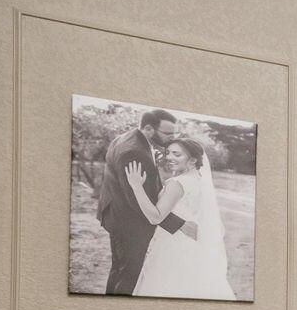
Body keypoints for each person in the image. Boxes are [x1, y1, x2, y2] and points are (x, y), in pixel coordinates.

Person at [97, 108, 195, 293]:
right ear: (149, 129)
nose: (172, 138)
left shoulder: (125, 138)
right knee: (129, 275)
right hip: (130, 223)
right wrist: (179, 224)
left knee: (119, 270)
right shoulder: (135, 152)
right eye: (168, 133)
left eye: (175, 133)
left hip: (117, 215)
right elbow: (137, 199)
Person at [124, 136, 234, 299]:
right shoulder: (198, 180)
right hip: (192, 246)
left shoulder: (177, 183)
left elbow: (155, 218)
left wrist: (136, 186)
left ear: (192, 160)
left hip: (172, 246)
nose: (169, 157)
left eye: (177, 154)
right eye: (168, 153)